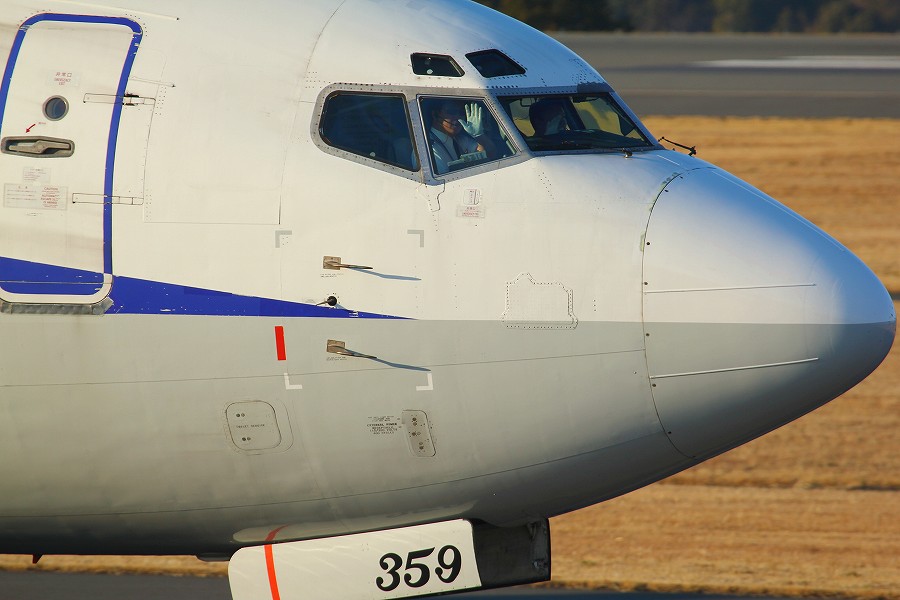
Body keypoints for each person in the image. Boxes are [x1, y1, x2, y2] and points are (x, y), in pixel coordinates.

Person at [427, 100, 493, 174]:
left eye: (462, 113)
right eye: (452, 112)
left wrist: (479, 135)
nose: (458, 118)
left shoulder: (460, 139)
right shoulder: (430, 147)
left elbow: (490, 155)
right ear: (435, 115)